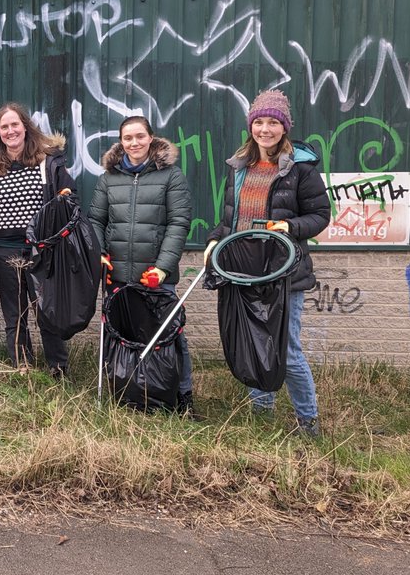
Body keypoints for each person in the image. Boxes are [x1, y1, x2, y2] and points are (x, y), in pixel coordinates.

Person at [206, 90, 330, 436]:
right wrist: (214, 240)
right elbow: (230, 218)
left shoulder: (300, 169)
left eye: (273, 122)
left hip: (283, 271)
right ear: (251, 126)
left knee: (286, 350)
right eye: (259, 122)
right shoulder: (239, 167)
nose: (265, 129)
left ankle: (308, 422)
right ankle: (261, 413)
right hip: (243, 269)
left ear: (284, 127)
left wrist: (289, 226)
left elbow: (320, 215)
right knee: (254, 342)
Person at [89, 115, 196, 413]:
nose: (134, 143)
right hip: (118, 275)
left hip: (156, 276)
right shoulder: (108, 178)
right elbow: (96, 220)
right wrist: (99, 253)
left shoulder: (171, 176)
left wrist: (162, 267)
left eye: (139, 136)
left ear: (150, 138)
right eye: (127, 138)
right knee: (121, 336)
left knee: (171, 338)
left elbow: (179, 222)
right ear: (121, 142)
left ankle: (182, 396)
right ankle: (128, 392)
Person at [0, 103, 75, 377]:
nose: (10, 131)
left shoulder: (49, 161)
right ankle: (22, 367)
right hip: (3, 253)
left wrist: (64, 200)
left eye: (15, 125)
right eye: (4, 127)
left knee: (47, 312)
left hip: (41, 252)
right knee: (15, 315)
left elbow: (71, 200)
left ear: (25, 126)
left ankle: (58, 368)